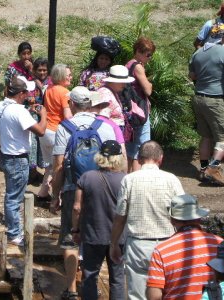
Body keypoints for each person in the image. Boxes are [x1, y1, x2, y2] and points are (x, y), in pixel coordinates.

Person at [50, 86, 116, 300]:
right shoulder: (105, 126)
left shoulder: (65, 127)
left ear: (72, 104)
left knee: (70, 240)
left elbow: (59, 166)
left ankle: (70, 289)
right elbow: (117, 161)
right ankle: (93, 284)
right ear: (90, 103)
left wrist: (55, 195)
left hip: (72, 187)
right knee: (98, 236)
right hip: (101, 189)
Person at [110, 140, 185, 300]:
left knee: (137, 295)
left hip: (138, 244)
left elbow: (120, 217)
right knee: (169, 293)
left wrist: (114, 243)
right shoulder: (172, 179)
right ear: (161, 158)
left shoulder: (129, 180)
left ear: (139, 157)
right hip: (168, 244)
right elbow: (183, 215)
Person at [0, 75, 47, 246]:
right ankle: (14, 234)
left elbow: (15, 119)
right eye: (26, 93)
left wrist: (28, 112)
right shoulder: (19, 111)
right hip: (17, 159)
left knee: (11, 194)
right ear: (21, 93)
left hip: (5, 155)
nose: (28, 96)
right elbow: (40, 131)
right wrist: (43, 115)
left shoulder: (1, 105)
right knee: (14, 197)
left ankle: (12, 227)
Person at [72, 140, 126, 300]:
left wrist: (75, 229)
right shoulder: (125, 179)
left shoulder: (87, 177)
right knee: (117, 278)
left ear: (99, 156)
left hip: (93, 235)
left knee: (89, 277)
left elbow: (76, 207)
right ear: (119, 158)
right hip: (119, 238)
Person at [146, 194, 223, 300]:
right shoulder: (219, 243)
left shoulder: (161, 251)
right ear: (199, 218)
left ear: (172, 220)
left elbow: (154, 295)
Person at [189, 30, 224, 185]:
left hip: (198, 98)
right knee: (223, 138)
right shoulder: (222, 52)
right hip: (215, 100)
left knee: (206, 137)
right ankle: (213, 168)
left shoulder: (197, 53)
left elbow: (192, 76)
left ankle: (203, 170)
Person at [4, 41, 40, 183]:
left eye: (28, 53)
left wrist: (32, 70)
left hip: (34, 105)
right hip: (20, 106)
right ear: (19, 54)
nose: (26, 56)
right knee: (23, 136)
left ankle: (33, 169)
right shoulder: (12, 68)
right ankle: (25, 169)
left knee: (34, 139)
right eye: (23, 53)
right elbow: (8, 87)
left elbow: (40, 82)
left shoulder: (35, 66)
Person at [38, 64, 73, 200]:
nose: (71, 77)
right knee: (59, 167)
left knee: (49, 166)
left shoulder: (48, 89)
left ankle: (43, 192)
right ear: (61, 76)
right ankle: (57, 197)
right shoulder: (65, 92)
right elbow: (68, 116)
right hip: (56, 132)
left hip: (45, 130)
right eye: (68, 75)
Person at [125, 37, 156, 172]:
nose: (149, 58)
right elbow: (148, 90)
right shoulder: (137, 66)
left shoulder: (129, 64)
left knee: (130, 150)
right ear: (138, 51)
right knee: (141, 148)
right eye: (148, 55)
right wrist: (150, 83)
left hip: (131, 111)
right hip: (140, 111)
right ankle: (137, 178)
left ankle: (126, 178)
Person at [32, 57, 50, 199]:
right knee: (33, 144)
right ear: (34, 70)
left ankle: (45, 174)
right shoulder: (30, 83)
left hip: (46, 117)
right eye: (39, 70)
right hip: (33, 117)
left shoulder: (51, 82)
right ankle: (32, 173)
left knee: (44, 145)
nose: (42, 72)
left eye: (44, 70)